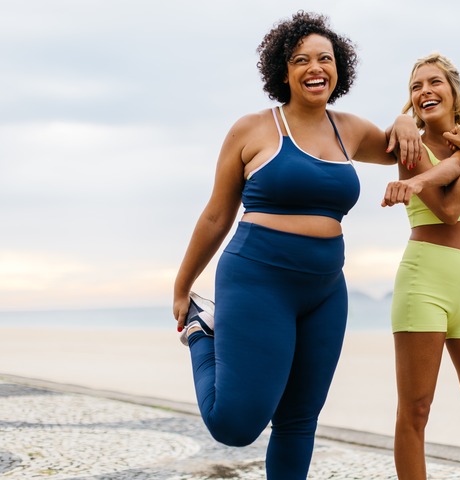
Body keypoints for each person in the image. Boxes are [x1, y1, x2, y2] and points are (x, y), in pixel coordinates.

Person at [172, 11, 421, 480]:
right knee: (234, 424)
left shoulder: (351, 129)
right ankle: (203, 334)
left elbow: (402, 150)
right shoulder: (252, 130)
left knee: (298, 422)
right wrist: (183, 285)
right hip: (256, 279)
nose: (315, 68)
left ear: (338, 68)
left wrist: (403, 121)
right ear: (282, 70)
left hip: (325, 289)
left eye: (325, 59)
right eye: (301, 60)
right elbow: (216, 214)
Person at [382, 53, 460, 480]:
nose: (424, 92)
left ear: (454, 92)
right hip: (424, 282)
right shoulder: (411, 149)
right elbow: (451, 210)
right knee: (415, 411)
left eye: (434, 83)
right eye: (416, 87)